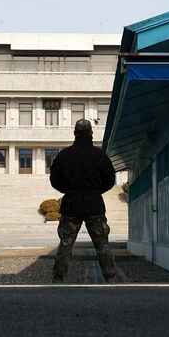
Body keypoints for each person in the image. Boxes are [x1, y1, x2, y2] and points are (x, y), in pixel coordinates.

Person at [49, 119, 117, 283]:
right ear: (91, 134)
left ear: (75, 133)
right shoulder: (100, 155)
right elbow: (110, 180)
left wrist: (69, 191)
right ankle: (110, 277)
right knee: (102, 244)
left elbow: (54, 180)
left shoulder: (64, 154)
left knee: (65, 244)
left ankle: (58, 278)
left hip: (71, 204)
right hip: (94, 204)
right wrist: (94, 191)